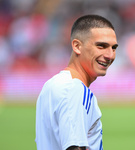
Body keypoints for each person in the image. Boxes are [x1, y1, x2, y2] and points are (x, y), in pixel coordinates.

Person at [35, 14, 118, 150]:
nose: (110, 55)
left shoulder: (51, 85)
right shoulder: (75, 89)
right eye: (101, 46)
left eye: (113, 48)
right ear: (77, 46)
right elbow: (74, 147)